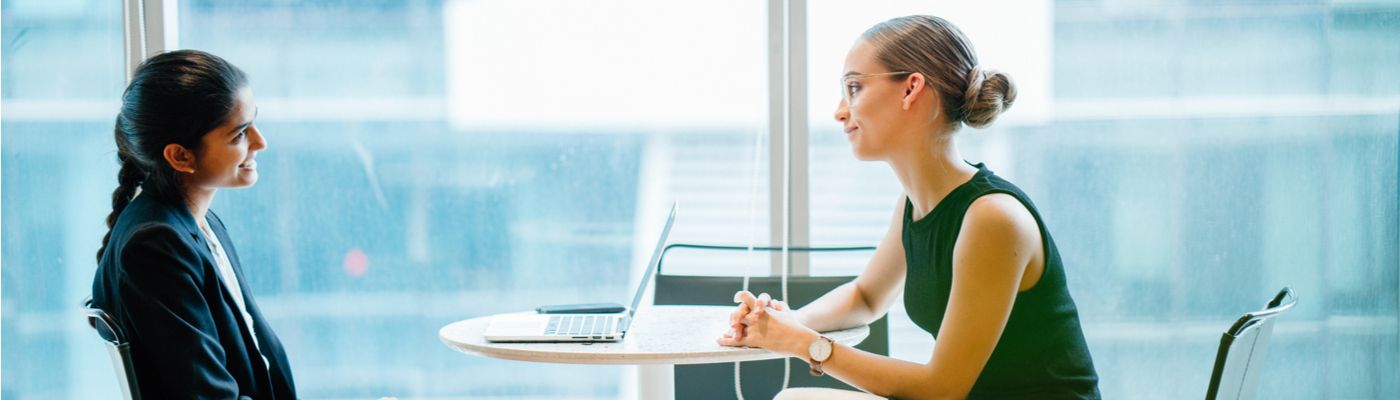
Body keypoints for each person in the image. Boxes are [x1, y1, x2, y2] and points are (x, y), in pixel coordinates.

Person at [718, 15, 1100, 399]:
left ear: (911, 89)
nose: (840, 111)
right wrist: (784, 322)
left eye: (854, 87)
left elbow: (941, 389)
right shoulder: (914, 202)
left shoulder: (993, 218)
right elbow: (866, 297)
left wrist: (803, 344)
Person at [90, 49, 297, 399]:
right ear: (180, 156)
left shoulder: (195, 224)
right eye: (240, 134)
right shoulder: (156, 244)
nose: (260, 143)